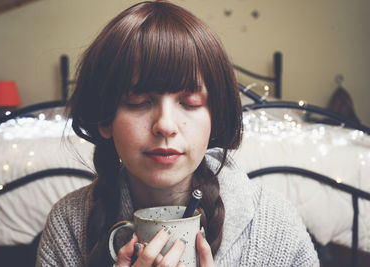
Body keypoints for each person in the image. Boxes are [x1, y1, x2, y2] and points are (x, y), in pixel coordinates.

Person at [36, 1, 319, 266]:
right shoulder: (69, 224)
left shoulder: (273, 223)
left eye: (190, 102)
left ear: (215, 116)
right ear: (104, 118)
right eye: (139, 102)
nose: (166, 125)